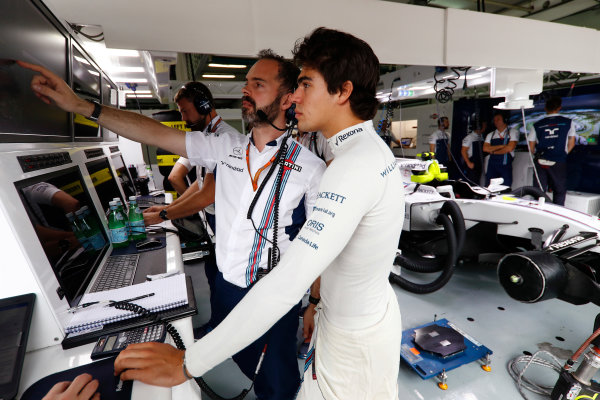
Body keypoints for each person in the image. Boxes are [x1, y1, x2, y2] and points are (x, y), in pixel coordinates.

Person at [112, 27, 404, 399]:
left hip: (352, 343)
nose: (295, 97)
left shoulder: (350, 167)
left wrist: (187, 363)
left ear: (343, 91)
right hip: (353, 321)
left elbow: (286, 284)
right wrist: (317, 303)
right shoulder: (364, 153)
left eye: (306, 84)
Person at [19, 48, 325, 400]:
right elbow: (155, 134)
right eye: (246, 83)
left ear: (288, 99)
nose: (246, 90)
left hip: (272, 295)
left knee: (277, 382)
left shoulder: (311, 169)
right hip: (227, 287)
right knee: (238, 357)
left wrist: (314, 303)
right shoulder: (226, 147)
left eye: (258, 84)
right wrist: (83, 107)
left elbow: (319, 244)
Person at [527, 96, 576, 206]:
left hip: (540, 160)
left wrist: (536, 154)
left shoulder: (537, 124)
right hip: (558, 161)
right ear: (559, 107)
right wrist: (562, 154)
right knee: (559, 191)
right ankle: (556, 216)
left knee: (538, 192)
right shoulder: (568, 122)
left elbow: (531, 146)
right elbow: (571, 143)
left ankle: (537, 214)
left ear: (545, 108)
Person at [483, 111, 518, 187]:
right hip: (492, 166)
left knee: (505, 188)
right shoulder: (491, 134)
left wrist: (493, 151)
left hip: (505, 167)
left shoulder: (512, 132)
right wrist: (502, 146)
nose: (496, 122)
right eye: (494, 120)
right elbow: (485, 148)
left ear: (505, 120)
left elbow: (509, 148)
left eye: (498, 119)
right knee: (489, 187)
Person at [461, 120, 486, 185]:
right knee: (471, 182)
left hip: (479, 162)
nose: (485, 127)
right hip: (472, 162)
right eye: (484, 126)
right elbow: (463, 151)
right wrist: (469, 163)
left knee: (477, 182)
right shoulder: (469, 137)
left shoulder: (480, 136)